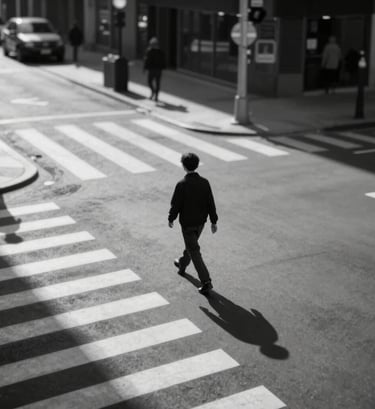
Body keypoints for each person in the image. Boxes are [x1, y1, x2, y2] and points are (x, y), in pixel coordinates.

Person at [168, 153, 218, 295]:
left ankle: (206, 282)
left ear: (183, 166)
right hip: (201, 223)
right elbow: (211, 203)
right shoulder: (205, 182)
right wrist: (213, 221)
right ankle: (183, 263)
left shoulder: (181, 184)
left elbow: (175, 204)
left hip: (187, 224)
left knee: (194, 251)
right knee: (192, 246)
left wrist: (171, 218)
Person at [143, 37, 166, 102]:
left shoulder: (152, 51)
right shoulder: (150, 51)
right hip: (157, 70)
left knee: (153, 82)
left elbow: (146, 60)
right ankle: (155, 94)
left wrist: (145, 68)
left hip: (154, 70)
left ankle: (155, 94)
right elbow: (146, 60)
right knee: (155, 82)